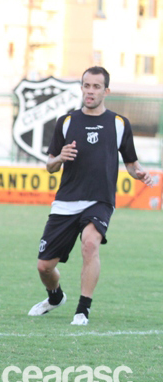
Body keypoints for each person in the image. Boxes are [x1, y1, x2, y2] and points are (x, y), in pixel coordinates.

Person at [27, 66, 152, 326]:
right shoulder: (67, 121)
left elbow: (131, 164)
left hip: (100, 199)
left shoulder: (119, 124)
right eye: (86, 85)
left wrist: (139, 174)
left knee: (90, 243)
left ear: (106, 91)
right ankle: (55, 297)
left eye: (96, 87)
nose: (90, 91)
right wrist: (60, 157)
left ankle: (82, 310)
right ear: (81, 87)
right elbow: (50, 165)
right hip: (66, 201)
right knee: (44, 267)